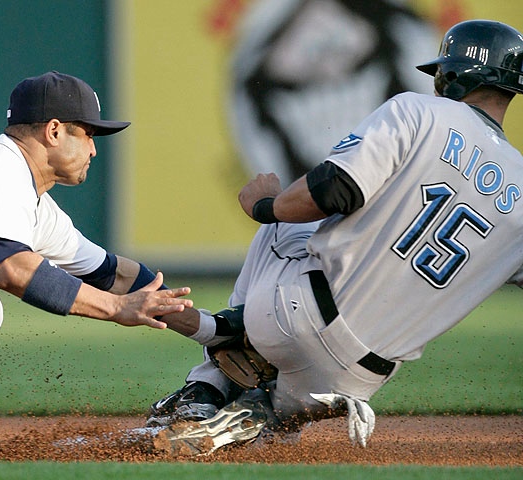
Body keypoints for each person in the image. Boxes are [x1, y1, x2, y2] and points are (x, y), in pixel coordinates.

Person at [148, 19, 523, 454]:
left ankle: (208, 384)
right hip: (358, 376)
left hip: (293, 319)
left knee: (285, 222)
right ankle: (258, 414)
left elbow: (331, 191)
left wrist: (264, 205)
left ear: (452, 75)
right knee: (286, 405)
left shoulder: (420, 111)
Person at [0, 71, 193, 459]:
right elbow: (12, 269)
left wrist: (213, 332)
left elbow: (110, 272)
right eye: (88, 134)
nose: (94, 150)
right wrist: (114, 309)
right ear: (54, 131)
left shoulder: (31, 203)